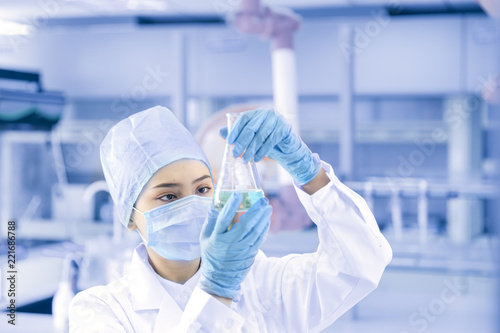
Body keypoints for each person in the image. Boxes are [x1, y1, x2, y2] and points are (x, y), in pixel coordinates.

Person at [68, 105, 392, 332]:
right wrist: (217, 289)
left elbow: (360, 264)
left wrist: (309, 172)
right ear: (129, 216)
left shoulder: (263, 283)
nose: (192, 205)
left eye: (203, 188)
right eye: (168, 196)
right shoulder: (101, 310)